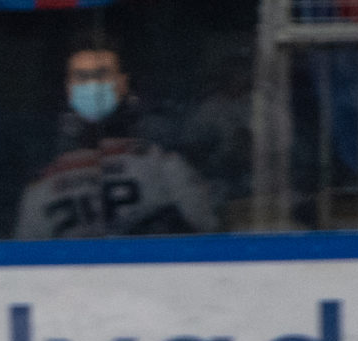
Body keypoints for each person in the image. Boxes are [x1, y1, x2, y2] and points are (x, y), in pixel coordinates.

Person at [12, 43, 217, 239]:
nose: (93, 86)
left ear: (122, 84)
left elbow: (206, 241)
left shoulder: (163, 167)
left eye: (102, 75)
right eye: (82, 77)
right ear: (69, 89)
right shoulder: (41, 189)